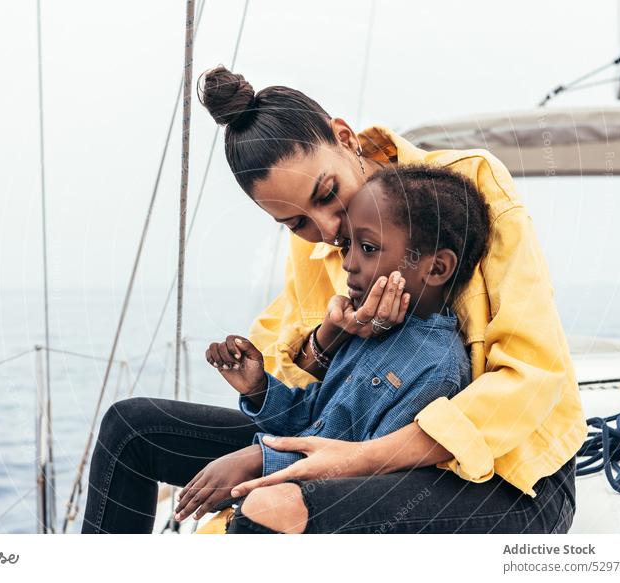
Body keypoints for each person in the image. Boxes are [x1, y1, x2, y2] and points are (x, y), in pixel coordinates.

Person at [81, 66, 586, 534]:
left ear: (344, 138)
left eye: (326, 195)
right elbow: (297, 383)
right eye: (296, 222)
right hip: (341, 435)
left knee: (272, 509)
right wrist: (331, 338)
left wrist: (319, 462)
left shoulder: (469, 184)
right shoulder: (317, 249)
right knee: (131, 430)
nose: (326, 230)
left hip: (505, 479)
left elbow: (533, 376)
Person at [173, 165, 490, 521]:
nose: (349, 264)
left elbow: (363, 465)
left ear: (435, 269)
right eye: (349, 246)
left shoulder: (436, 368)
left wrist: (259, 461)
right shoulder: (369, 327)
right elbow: (314, 417)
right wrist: (259, 388)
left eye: (368, 248)